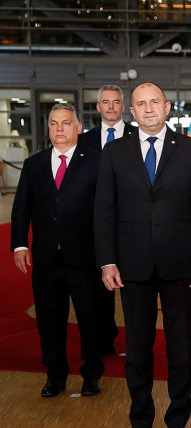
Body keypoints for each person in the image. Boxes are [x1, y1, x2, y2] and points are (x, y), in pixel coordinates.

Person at [94, 82, 191, 428]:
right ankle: (140, 425)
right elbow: (103, 211)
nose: (148, 109)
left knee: (180, 351)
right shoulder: (114, 152)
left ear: (167, 107)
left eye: (154, 102)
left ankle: (178, 424)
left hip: (181, 265)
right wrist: (107, 261)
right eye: (141, 104)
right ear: (131, 112)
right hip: (132, 267)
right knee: (138, 351)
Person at [10, 103, 105, 397]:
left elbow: (107, 210)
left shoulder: (97, 162)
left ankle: (92, 374)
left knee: (90, 320)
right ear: (48, 128)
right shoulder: (33, 165)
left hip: (85, 258)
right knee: (49, 321)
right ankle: (55, 375)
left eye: (65, 123)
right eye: (54, 123)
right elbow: (21, 208)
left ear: (78, 128)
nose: (59, 128)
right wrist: (20, 244)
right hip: (46, 259)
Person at [78, 84, 137, 356]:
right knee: (99, 288)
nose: (111, 106)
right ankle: (104, 339)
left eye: (116, 102)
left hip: (131, 224)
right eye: (106, 102)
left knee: (133, 288)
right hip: (95, 224)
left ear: (123, 107)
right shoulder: (84, 141)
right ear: (98, 107)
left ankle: (136, 344)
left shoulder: (139, 135)